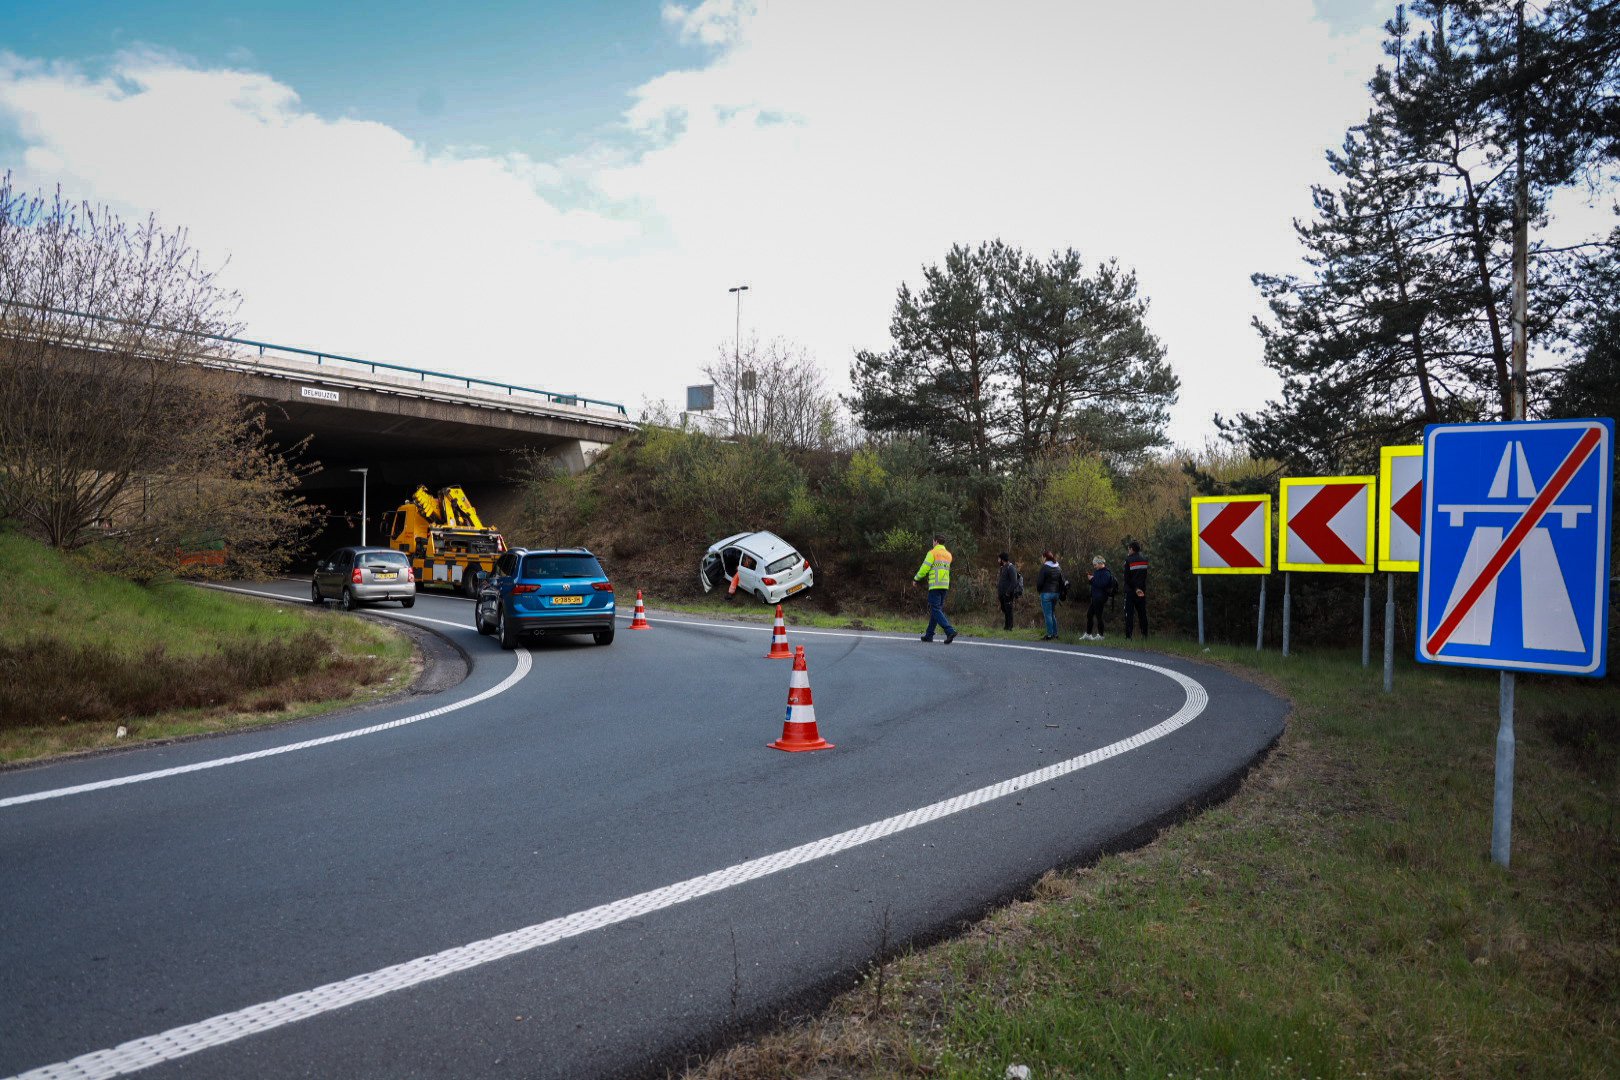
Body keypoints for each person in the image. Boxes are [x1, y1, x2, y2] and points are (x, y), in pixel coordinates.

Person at [914, 533, 957, 643]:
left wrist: (916, 578)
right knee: (936, 610)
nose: (932, 543)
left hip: (935, 585)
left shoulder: (932, 553)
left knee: (936, 609)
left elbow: (925, 568)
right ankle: (929, 635)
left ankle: (949, 630)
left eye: (933, 541)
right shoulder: (948, 555)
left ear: (936, 541)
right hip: (945, 585)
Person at [1083, 555, 1116, 640]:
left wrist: (1092, 579)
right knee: (1089, 614)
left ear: (1100, 563)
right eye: (1094, 565)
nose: (1094, 566)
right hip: (1095, 597)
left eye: (1095, 564)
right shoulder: (1097, 571)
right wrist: (1091, 580)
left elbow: (1102, 584)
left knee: (1098, 616)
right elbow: (1096, 583)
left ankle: (1101, 635)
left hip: (1101, 597)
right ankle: (1088, 634)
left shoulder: (1106, 573)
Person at [1034, 550, 1064, 640]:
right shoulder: (1058, 567)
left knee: (1048, 615)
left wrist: (1039, 591)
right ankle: (1055, 634)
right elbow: (1061, 581)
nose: (1041, 559)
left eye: (1042, 557)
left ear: (1045, 558)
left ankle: (1049, 635)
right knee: (1052, 614)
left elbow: (1039, 583)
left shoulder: (1044, 567)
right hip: (1056, 594)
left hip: (1046, 593)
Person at [1123, 540, 1149, 639]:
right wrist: (1140, 588)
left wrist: (1135, 588)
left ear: (1132, 549)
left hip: (1130, 591)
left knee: (1129, 614)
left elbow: (1127, 578)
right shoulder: (1144, 559)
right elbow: (1144, 577)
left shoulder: (1128, 560)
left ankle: (1129, 636)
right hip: (1142, 591)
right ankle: (1144, 635)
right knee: (1142, 613)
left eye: (1128, 548)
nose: (1128, 550)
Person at [996, 552, 1022, 630]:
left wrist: (1008, 593)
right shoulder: (1003, 567)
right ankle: (1006, 626)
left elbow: (1014, 582)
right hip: (1002, 594)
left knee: (1009, 610)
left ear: (1002, 559)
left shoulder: (1011, 568)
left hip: (1008, 594)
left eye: (999, 559)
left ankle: (1009, 627)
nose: (998, 560)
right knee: (1005, 610)